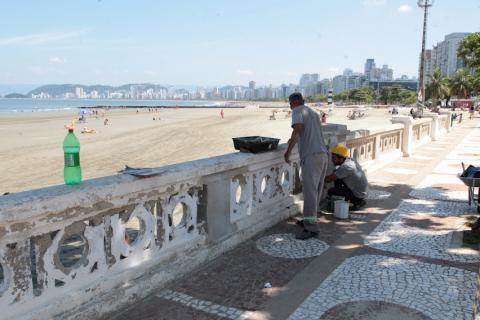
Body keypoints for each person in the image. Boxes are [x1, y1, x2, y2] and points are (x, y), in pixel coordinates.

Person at [284, 93, 328, 240]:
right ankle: (309, 220)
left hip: (312, 156)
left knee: (310, 194)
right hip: (322, 154)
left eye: (290, 104)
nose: (290, 107)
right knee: (315, 192)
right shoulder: (313, 112)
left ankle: (311, 228)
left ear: (295, 102)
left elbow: (297, 131)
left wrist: (288, 152)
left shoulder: (298, 111)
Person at [325, 144, 368, 211]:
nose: (332, 160)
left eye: (334, 158)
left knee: (331, 191)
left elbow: (329, 179)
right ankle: (354, 200)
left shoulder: (347, 166)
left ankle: (356, 203)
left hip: (358, 194)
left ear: (341, 158)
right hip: (360, 191)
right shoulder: (350, 160)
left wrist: (317, 178)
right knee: (337, 175)